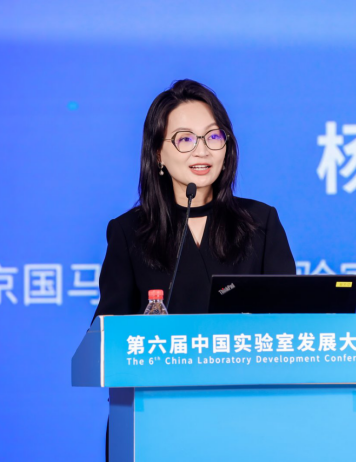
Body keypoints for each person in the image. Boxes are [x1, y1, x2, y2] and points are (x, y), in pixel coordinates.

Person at [92, 79, 296, 460]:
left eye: (213, 137)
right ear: (158, 153)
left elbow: (292, 324)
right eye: (185, 139)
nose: (202, 151)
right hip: (156, 421)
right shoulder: (129, 232)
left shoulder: (260, 222)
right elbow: (105, 337)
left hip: (249, 420)